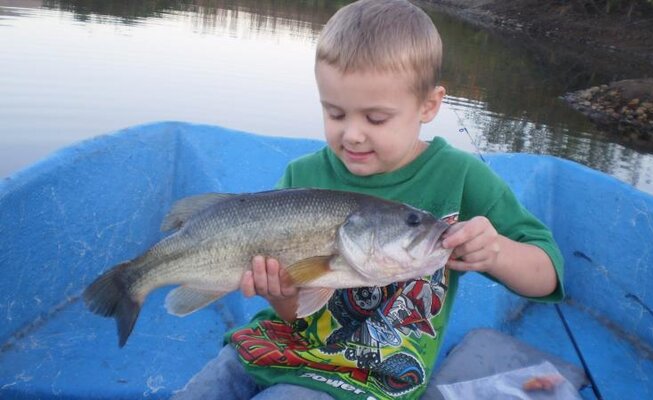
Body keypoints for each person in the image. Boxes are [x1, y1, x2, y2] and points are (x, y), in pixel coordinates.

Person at [172, 0, 563, 399]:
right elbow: (293, 312)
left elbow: (547, 275)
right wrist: (280, 293)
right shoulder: (302, 178)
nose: (353, 135)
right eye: (335, 114)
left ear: (428, 105)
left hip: (367, 376)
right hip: (271, 344)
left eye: (375, 119)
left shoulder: (462, 179)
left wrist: (497, 252)